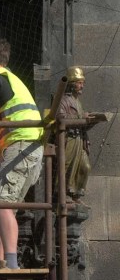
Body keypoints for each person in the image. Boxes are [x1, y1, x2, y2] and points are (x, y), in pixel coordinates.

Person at [0, 39, 43, 270]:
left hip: (19, 143)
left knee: (2, 203)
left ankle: (11, 264)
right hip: (25, 146)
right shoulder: (9, 77)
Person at [57, 66, 91, 204]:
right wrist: (81, 118)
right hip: (69, 138)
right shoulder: (64, 100)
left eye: (83, 82)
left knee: (85, 166)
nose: (82, 85)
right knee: (67, 165)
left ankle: (77, 193)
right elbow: (60, 117)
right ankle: (65, 193)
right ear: (71, 84)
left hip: (79, 138)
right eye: (79, 82)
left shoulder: (77, 101)